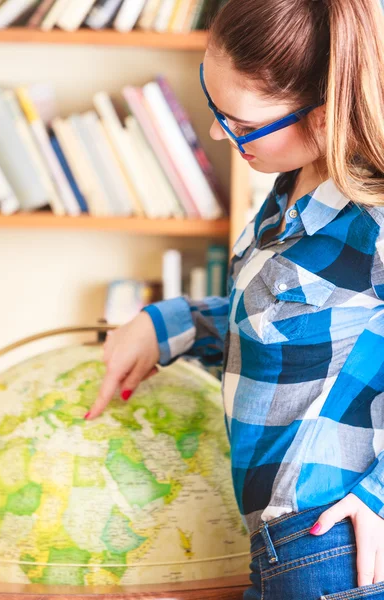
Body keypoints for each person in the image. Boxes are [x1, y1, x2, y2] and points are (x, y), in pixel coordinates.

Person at [85, 0, 384, 597]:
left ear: (324, 117)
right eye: (215, 105)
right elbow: (289, 332)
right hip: (280, 546)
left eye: (244, 125)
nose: (225, 135)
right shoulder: (290, 190)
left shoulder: (371, 219)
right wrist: (169, 323)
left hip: (331, 548)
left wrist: (378, 497)